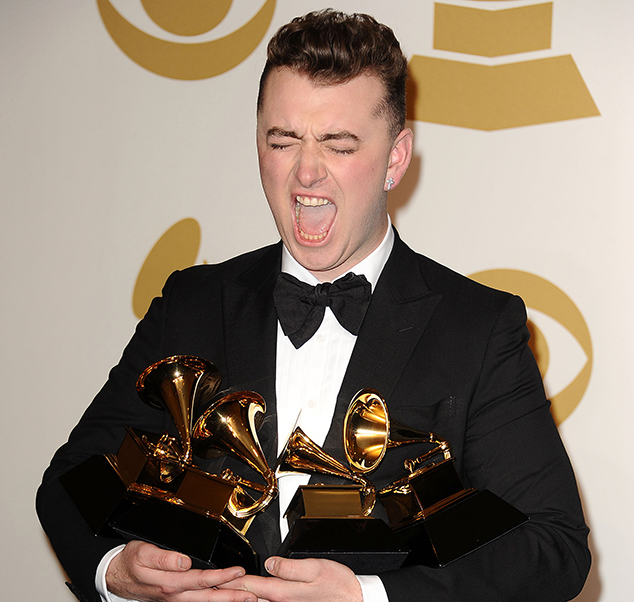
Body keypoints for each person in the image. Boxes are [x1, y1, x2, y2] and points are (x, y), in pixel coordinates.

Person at [37, 9, 590, 602]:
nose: (305, 172)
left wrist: (369, 597)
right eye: (282, 140)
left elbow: (552, 547)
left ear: (395, 158)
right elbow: (72, 479)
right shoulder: (189, 304)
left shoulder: (478, 328)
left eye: (338, 145)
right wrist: (113, 569)